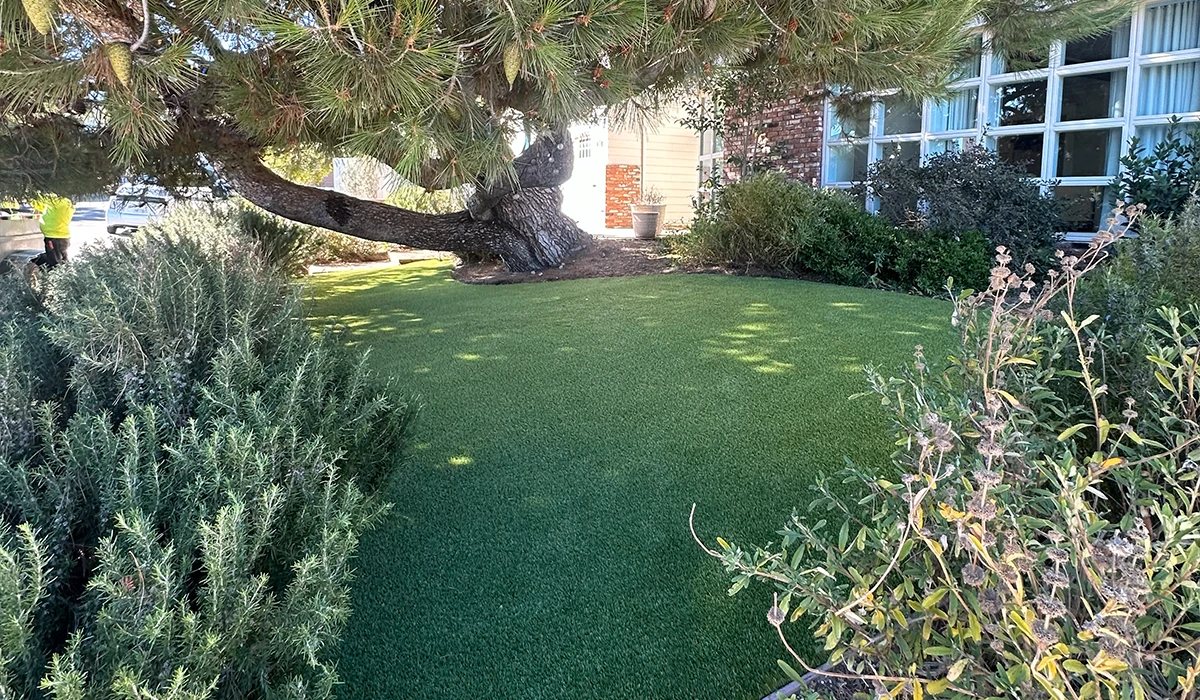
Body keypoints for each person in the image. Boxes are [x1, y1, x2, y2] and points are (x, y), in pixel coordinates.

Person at [34, 196, 74, 268]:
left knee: (54, 263)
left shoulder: (51, 200)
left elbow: (35, 201)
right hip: (63, 236)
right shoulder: (69, 203)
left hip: (53, 236)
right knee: (62, 260)